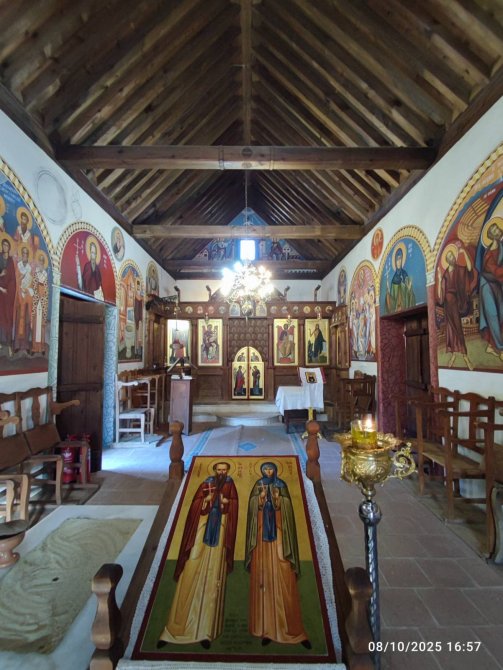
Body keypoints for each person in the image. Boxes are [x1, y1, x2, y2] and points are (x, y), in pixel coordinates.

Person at [158, 462, 238, 648]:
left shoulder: (230, 484)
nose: (222, 472)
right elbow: (194, 505)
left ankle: (206, 631)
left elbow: (234, 504)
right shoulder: (206, 483)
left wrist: (226, 503)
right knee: (191, 565)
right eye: (219, 469)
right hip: (202, 526)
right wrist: (205, 501)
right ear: (214, 470)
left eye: (225, 470)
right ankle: (174, 629)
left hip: (220, 529)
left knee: (214, 573)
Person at [245, 462, 310, 648]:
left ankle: (293, 630)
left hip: (279, 531)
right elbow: (252, 508)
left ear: (276, 470)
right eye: (265, 469)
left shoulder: (282, 485)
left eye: (271, 469)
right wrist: (259, 500)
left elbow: (288, 507)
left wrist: (279, 499)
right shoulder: (258, 485)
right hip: (261, 536)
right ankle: (266, 629)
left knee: (284, 571)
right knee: (263, 575)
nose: (268, 472)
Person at [437, 242, 476, 370]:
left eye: (452, 256)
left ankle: (465, 356)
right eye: (449, 257)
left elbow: (469, 269)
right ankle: (453, 354)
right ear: (447, 260)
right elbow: (440, 296)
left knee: (457, 327)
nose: (452, 258)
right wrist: (438, 279)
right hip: (447, 305)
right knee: (450, 329)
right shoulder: (444, 275)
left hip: (456, 303)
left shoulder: (459, 269)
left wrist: (464, 253)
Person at [476, 217, 503, 362]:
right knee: (492, 314)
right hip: (486, 284)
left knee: (501, 313)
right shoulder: (487, 252)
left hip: (498, 284)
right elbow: (493, 270)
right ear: (490, 235)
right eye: (494, 230)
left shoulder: (502, 247)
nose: (497, 231)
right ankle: (500, 347)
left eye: (497, 228)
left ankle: (492, 346)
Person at [14, 245, 33, 353]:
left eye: (27, 253)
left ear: (28, 255)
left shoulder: (30, 268)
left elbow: (32, 283)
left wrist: (28, 290)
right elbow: (16, 281)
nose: (25, 255)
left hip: (27, 299)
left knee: (26, 321)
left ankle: (25, 345)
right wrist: (20, 288)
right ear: (22, 255)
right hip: (20, 298)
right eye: (24, 253)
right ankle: (17, 345)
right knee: (19, 321)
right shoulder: (18, 266)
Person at [385, 245, 415, 314]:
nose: (398, 261)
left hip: (406, 308)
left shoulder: (405, 275)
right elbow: (393, 300)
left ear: (402, 260)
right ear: (395, 261)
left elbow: (409, 294)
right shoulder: (393, 279)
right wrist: (388, 293)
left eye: (400, 259)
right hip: (397, 311)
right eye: (397, 259)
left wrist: (409, 289)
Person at [31, 250, 49, 355]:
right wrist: (38, 290)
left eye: (43, 261)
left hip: (42, 302)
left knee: (41, 325)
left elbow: (46, 289)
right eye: (40, 261)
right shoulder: (36, 274)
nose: (41, 263)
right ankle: (34, 347)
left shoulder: (45, 275)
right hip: (36, 300)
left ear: (44, 263)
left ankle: (41, 347)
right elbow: (34, 285)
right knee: (36, 324)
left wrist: (43, 293)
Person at [0, 236, 16, 354]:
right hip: (0, 293)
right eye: (3, 245)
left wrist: (8, 290)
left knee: (8, 318)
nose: (5, 247)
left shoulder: (10, 261)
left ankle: (9, 345)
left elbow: (13, 280)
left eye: (7, 245)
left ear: (9, 247)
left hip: (7, 295)